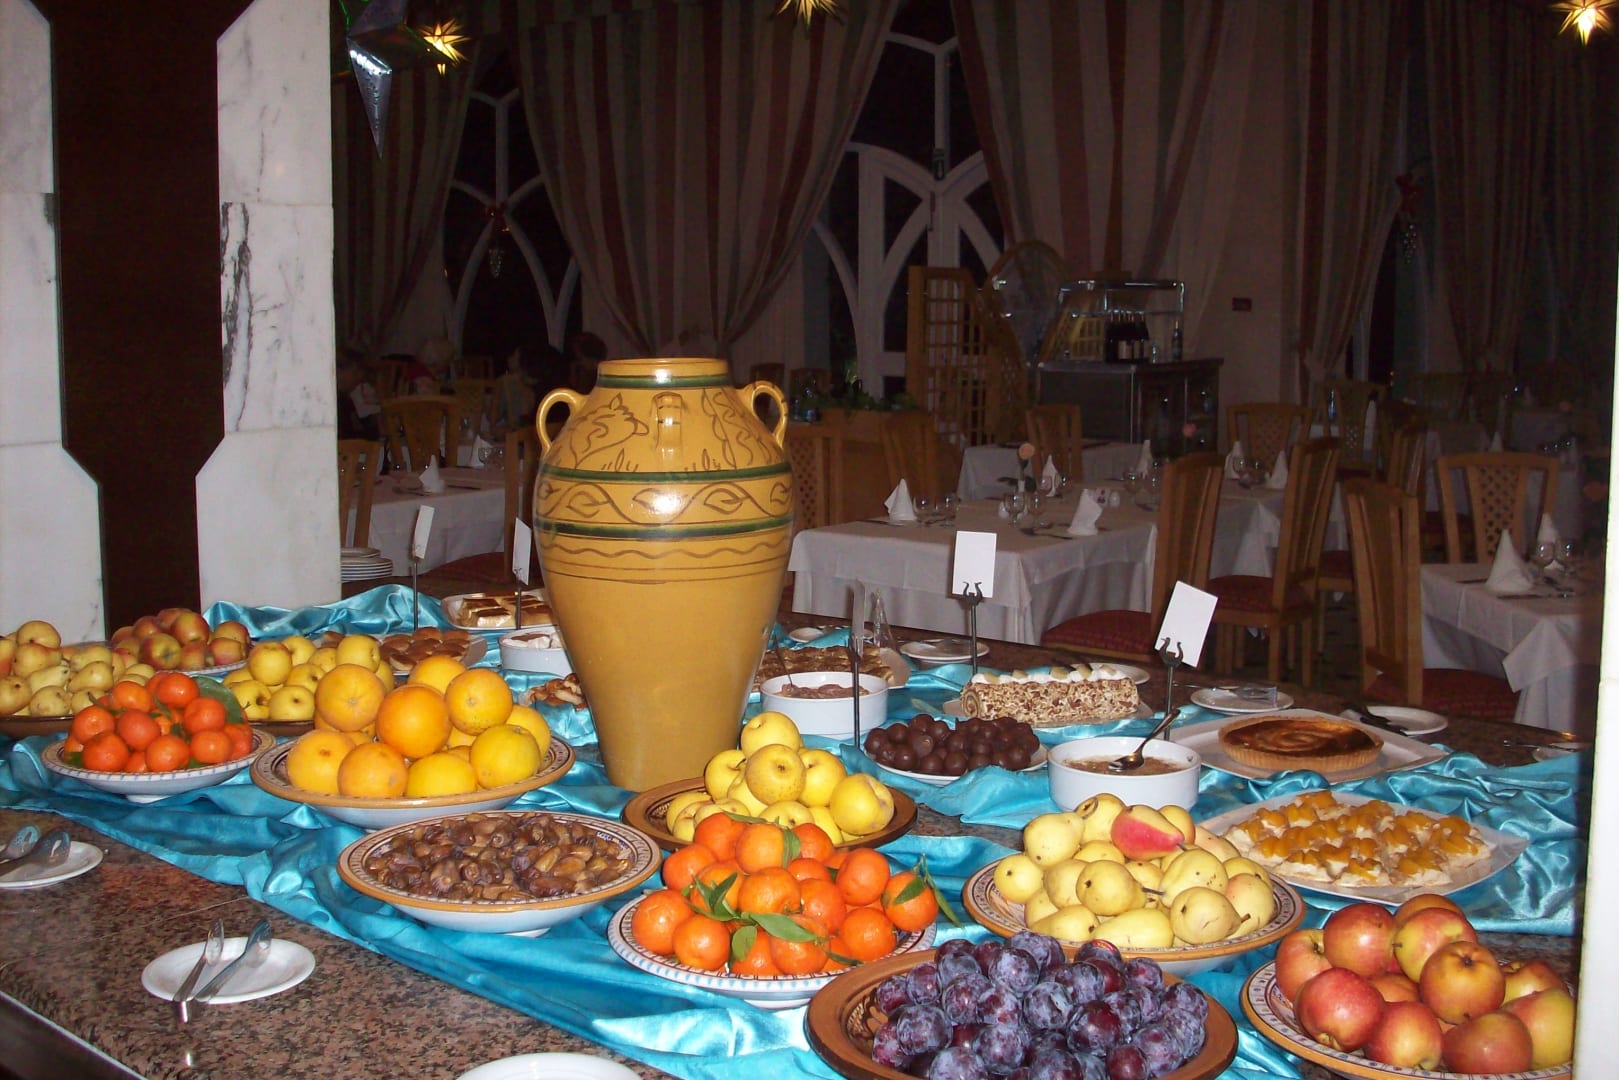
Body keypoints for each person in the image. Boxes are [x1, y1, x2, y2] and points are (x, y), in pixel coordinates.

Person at [336, 357, 380, 441]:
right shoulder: (342, 396)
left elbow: (372, 417)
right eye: (337, 371)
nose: (338, 375)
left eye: (342, 370)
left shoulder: (363, 391)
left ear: (359, 374)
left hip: (367, 438)